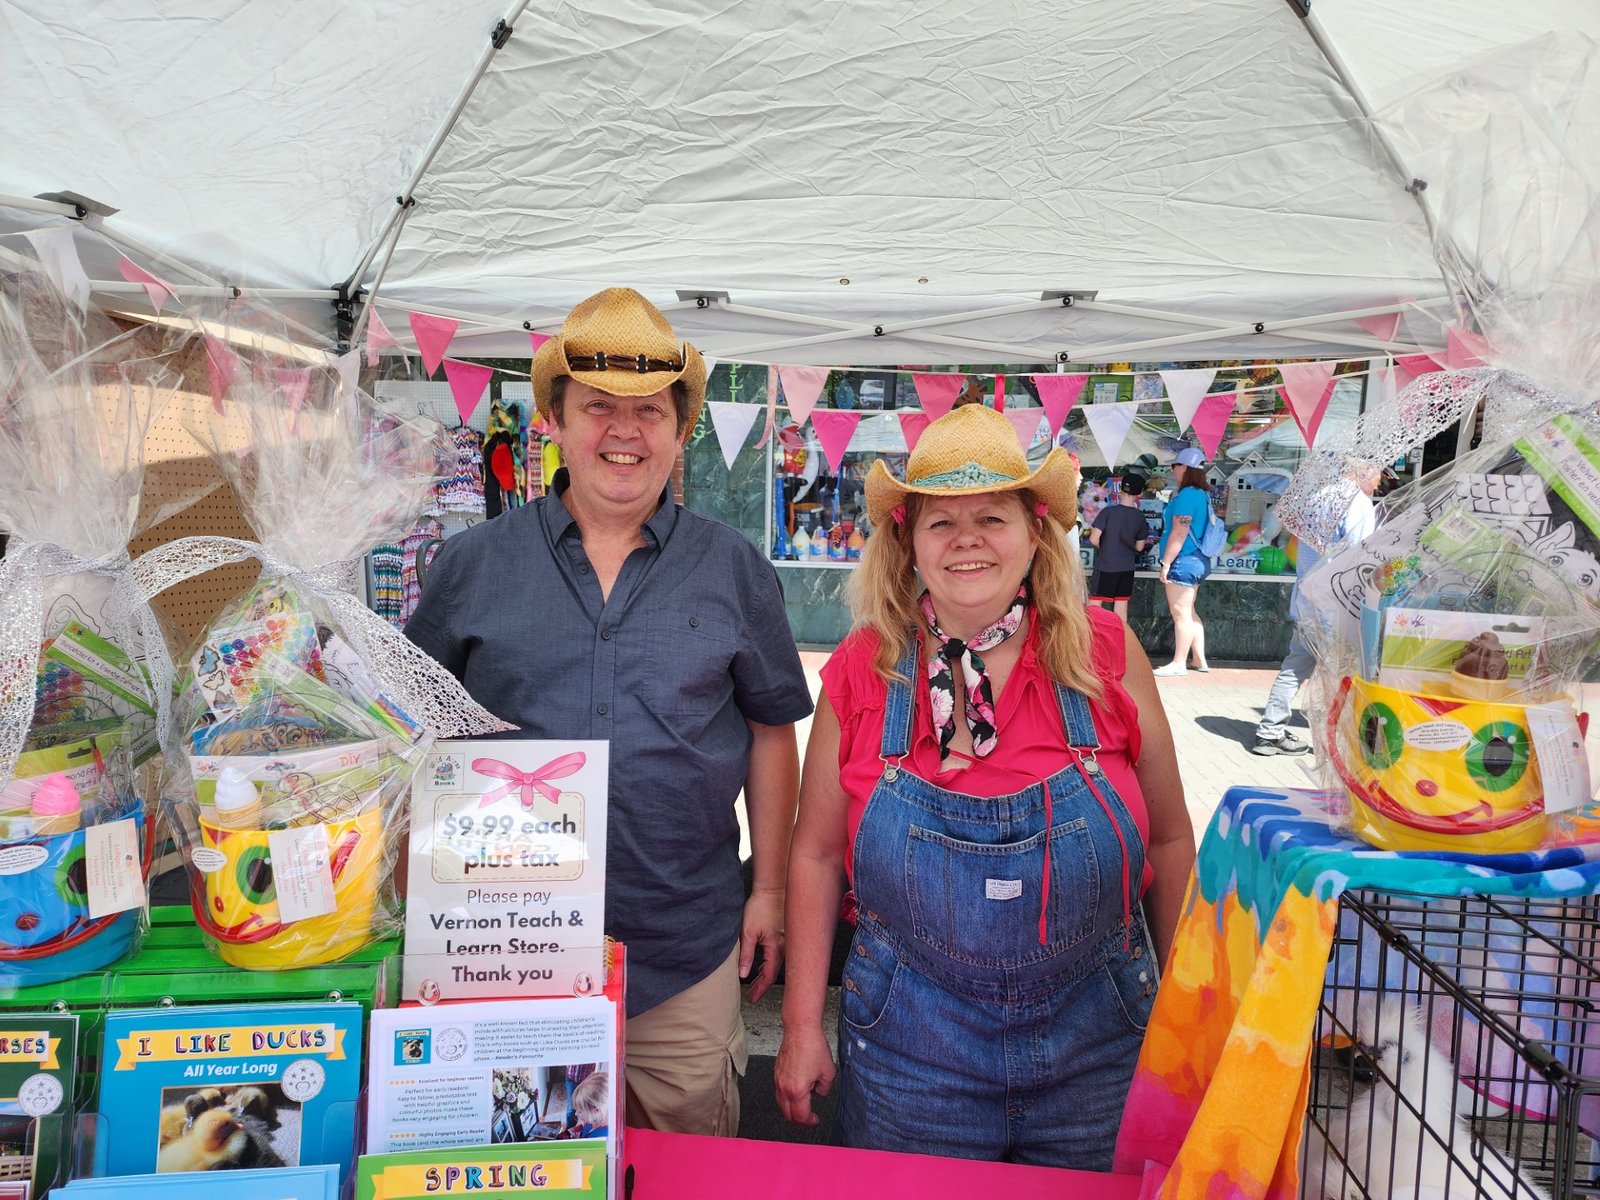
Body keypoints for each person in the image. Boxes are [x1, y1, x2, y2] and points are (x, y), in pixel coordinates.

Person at [406, 288, 813, 1137]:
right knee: (523, 1167)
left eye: (650, 412)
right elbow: (413, 740)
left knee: (686, 1161)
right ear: (554, 418)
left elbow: (773, 731)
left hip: (683, 950)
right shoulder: (470, 566)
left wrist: (767, 888)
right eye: (598, 407)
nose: (625, 432)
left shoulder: (734, 568)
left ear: (678, 429)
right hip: (503, 951)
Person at [773, 404, 1196, 1168]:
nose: (967, 539)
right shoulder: (863, 667)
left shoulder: (1106, 652)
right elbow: (813, 855)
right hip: (909, 1052)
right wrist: (802, 1026)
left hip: (1100, 1047)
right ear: (907, 544)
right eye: (941, 522)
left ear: (1035, 533)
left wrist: (1190, 1018)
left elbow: (1168, 836)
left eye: (992, 516)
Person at [1252, 458, 1382, 755]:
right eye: (1378, 473)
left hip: (1307, 599)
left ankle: (1269, 733)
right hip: (1336, 605)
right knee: (1341, 674)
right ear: (1363, 472)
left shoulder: (1320, 497)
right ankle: (1337, 742)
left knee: (1296, 665)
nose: (1380, 481)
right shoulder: (1358, 503)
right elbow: (1360, 556)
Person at [1153, 447, 1213, 676]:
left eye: (1174, 465)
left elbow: (1179, 532)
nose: (1172, 470)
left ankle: (1179, 663)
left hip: (1183, 561)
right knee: (1189, 611)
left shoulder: (1187, 495)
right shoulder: (1202, 495)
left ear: (1184, 468)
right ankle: (1199, 659)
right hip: (1197, 561)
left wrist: (1166, 563)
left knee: (1180, 612)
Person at [1089, 472, 1150, 622]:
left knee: (1094, 606)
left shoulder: (1108, 512)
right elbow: (1140, 547)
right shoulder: (1139, 517)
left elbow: (1093, 538)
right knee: (1121, 607)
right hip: (1126, 567)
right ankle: (1121, 641)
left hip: (1105, 566)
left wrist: (1104, 547)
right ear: (1140, 493)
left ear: (1120, 489)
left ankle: (1091, 641)